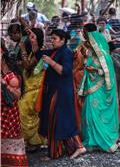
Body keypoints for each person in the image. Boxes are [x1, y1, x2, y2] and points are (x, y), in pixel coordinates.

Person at [29, 29, 85, 159]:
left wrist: (51, 62)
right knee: (59, 121)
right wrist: (34, 42)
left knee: (56, 121)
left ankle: (57, 153)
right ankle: (72, 148)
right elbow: (38, 54)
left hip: (61, 92)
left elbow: (65, 71)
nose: (51, 41)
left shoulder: (66, 53)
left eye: (54, 38)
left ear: (63, 40)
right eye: (51, 38)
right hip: (54, 91)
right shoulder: (55, 51)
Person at [78, 24, 119, 152]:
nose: (84, 36)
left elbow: (108, 74)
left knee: (97, 114)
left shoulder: (104, 56)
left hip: (100, 89)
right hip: (91, 88)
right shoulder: (90, 52)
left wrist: (95, 69)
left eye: (85, 33)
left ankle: (104, 142)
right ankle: (92, 141)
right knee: (89, 114)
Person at [17, 28, 47, 150]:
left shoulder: (40, 53)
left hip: (35, 91)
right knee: (28, 115)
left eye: (32, 37)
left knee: (24, 113)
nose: (30, 39)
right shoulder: (33, 53)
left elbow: (28, 66)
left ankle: (34, 142)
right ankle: (31, 141)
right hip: (29, 89)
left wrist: (23, 49)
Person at [1, 51, 29, 167]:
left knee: (9, 135)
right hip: (6, 112)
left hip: (8, 113)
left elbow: (17, 95)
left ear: (4, 62)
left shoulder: (11, 77)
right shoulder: (7, 75)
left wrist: (5, 85)